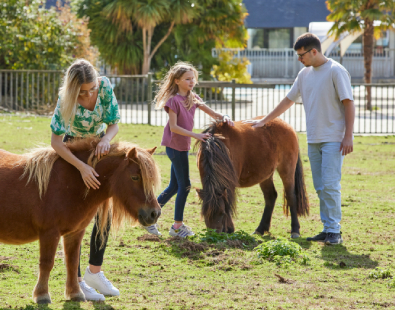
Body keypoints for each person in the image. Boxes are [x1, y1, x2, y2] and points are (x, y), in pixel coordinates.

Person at [248, 33, 354, 245]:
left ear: (314, 51)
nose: (299, 58)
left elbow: (348, 103)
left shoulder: (336, 71)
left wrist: (348, 136)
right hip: (313, 139)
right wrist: (264, 121)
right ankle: (327, 228)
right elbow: (288, 101)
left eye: (301, 54)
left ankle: (334, 231)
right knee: (320, 185)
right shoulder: (304, 74)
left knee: (331, 184)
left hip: (334, 138)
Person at [50, 59, 120, 301]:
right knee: (75, 219)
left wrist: (106, 140)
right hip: (72, 155)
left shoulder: (106, 87)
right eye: (83, 92)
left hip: (99, 149)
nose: (90, 94)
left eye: (92, 89)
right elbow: (56, 142)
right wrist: (81, 168)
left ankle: (94, 272)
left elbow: (113, 124)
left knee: (104, 214)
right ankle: (77, 281)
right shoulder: (64, 101)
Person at [142, 61, 234, 238]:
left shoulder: (193, 97)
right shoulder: (173, 101)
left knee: (175, 186)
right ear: (177, 80)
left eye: (193, 78)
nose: (191, 82)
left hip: (181, 147)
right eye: (187, 79)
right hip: (174, 147)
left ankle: (148, 216)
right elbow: (174, 127)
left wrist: (225, 117)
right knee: (185, 186)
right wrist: (196, 136)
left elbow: (212, 113)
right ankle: (177, 227)